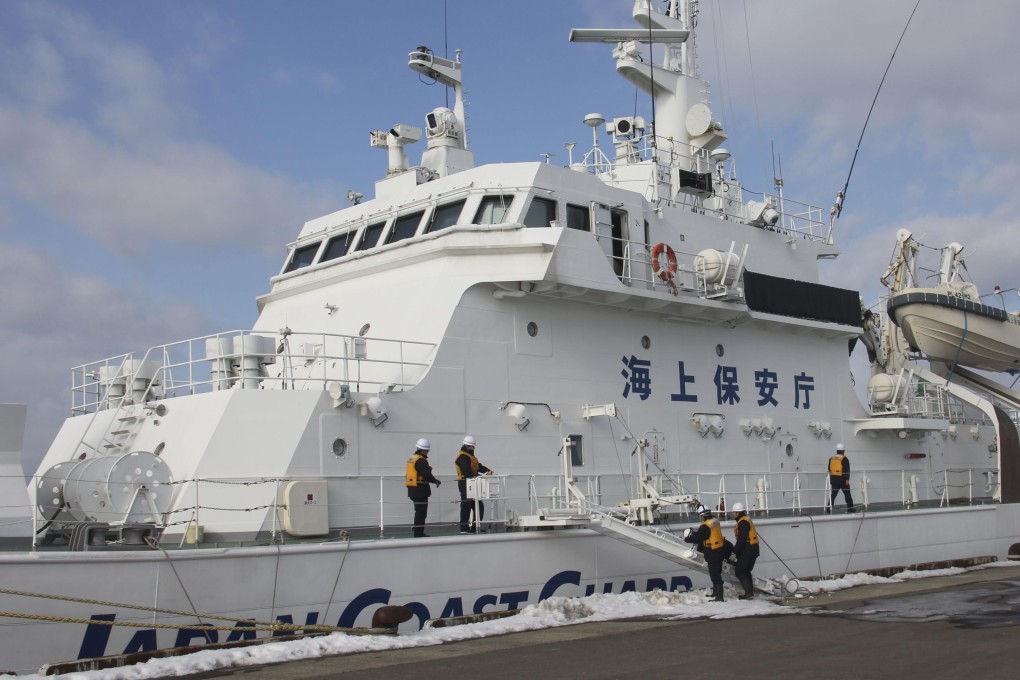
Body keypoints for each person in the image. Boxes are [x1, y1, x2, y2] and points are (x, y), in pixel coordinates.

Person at [683, 505, 727, 601]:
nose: (700, 518)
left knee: (714, 574)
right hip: (720, 549)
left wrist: (686, 539)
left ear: (703, 516)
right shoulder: (715, 521)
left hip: (713, 552)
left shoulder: (705, 526)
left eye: (700, 516)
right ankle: (716, 594)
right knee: (716, 573)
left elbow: (698, 538)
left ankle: (719, 597)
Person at [455, 435, 493, 534]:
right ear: (466, 446)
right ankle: (464, 528)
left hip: (473, 484)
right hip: (465, 484)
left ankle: (475, 527)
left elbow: (478, 466)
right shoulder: (463, 457)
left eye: (473, 446)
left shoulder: (470, 457)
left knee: (478, 505)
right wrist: (480, 476)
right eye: (470, 446)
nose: (472, 448)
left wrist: (487, 471)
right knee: (466, 505)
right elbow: (467, 472)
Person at [406, 437, 441, 537]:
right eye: (427, 450)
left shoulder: (411, 459)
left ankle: (418, 531)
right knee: (421, 512)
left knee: (418, 511)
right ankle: (418, 533)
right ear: (423, 450)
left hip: (412, 489)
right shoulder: (421, 461)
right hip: (420, 490)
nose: (428, 452)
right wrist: (435, 481)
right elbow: (426, 475)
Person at [730, 502, 759, 600]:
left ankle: (748, 593)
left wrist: (734, 552)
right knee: (746, 571)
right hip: (752, 548)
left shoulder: (743, 522)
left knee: (740, 571)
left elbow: (741, 539)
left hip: (748, 549)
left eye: (734, 512)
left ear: (738, 513)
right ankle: (749, 593)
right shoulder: (746, 520)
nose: (733, 514)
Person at [828, 443, 855, 513]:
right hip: (842, 480)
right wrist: (847, 479)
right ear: (843, 451)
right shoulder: (844, 459)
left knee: (833, 495)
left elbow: (829, 469)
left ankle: (828, 508)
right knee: (847, 495)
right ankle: (850, 508)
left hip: (834, 480)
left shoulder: (831, 458)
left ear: (837, 450)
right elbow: (846, 470)